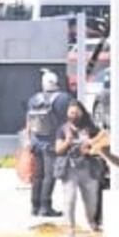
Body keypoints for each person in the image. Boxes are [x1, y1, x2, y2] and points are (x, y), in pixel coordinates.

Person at [26, 70, 71, 217]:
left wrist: (28, 140)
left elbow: (28, 122)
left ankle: (34, 206)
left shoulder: (34, 99)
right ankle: (45, 207)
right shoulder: (64, 98)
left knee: (37, 175)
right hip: (52, 143)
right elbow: (68, 120)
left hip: (36, 142)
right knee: (49, 176)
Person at [55, 100, 102, 236]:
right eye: (71, 113)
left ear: (82, 113)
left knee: (91, 199)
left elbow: (102, 142)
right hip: (70, 169)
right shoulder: (63, 129)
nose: (74, 115)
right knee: (70, 198)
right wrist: (67, 142)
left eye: (76, 112)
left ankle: (91, 221)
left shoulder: (91, 128)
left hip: (88, 168)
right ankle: (70, 226)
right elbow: (58, 149)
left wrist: (91, 148)